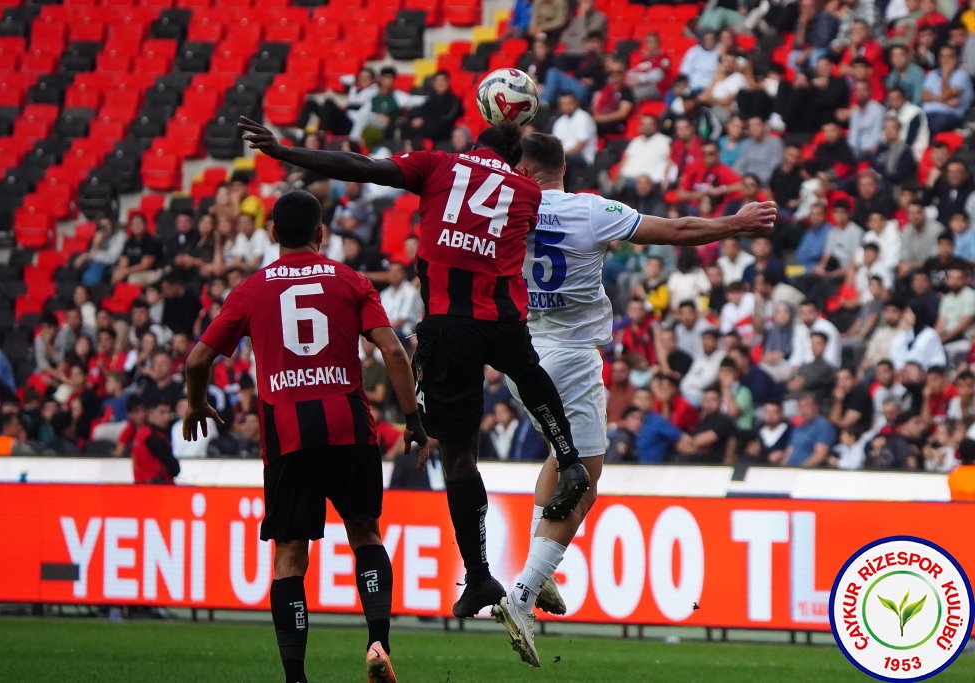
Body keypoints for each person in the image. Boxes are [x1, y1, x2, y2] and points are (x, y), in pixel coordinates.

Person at [237, 117, 596, 623]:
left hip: (448, 328)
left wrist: (288, 152)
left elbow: (360, 166)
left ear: (476, 140)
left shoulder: (437, 165)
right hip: (502, 319)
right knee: (527, 366)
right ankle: (569, 456)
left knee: (458, 462)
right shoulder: (524, 190)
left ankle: (478, 575)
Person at [492, 132, 775, 665]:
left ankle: (538, 567)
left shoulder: (505, 210)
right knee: (586, 477)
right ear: (563, 168)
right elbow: (679, 229)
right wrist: (736, 223)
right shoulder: (591, 209)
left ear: (523, 171)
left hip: (520, 355)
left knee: (562, 456)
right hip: (572, 358)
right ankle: (524, 594)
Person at [183, 191, 430, 683]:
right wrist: (412, 420)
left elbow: (196, 361)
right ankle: (378, 641)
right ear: (322, 235)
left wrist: (195, 401)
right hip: (349, 428)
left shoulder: (251, 290)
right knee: (364, 533)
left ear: (272, 234)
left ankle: (296, 676)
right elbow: (394, 353)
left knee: (290, 555)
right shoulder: (351, 281)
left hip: (288, 437)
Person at [132, 401, 180, 484]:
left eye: (169, 413)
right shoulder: (154, 437)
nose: (167, 417)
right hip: (158, 487)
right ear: (150, 413)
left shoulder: (141, 433)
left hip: (140, 485)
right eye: (162, 413)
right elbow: (175, 468)